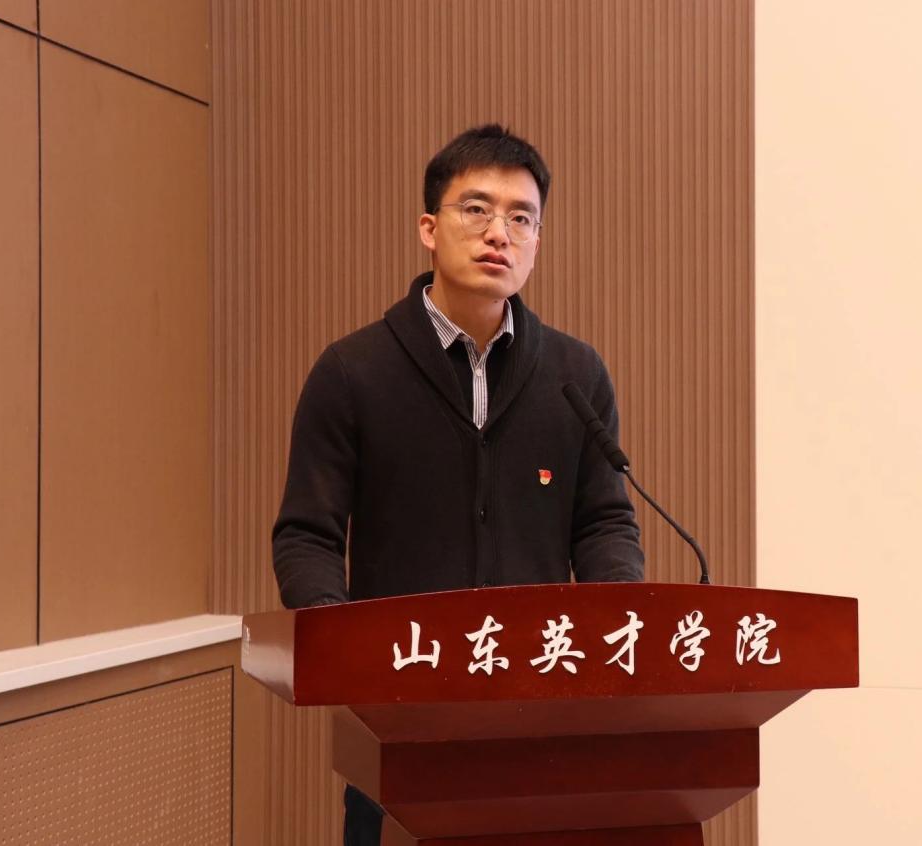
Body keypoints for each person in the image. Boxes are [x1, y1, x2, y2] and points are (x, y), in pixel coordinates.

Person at [271, 124, 645, 846]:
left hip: (539, 714)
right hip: (398, 716)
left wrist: (620, 619)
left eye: (521, 218)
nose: (499, 233)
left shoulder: (575, 375)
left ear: (537, 242)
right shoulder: (352, 372)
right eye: (476, 209)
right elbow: (307, 533)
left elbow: (603, 521)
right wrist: (339, 644)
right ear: (428, 228)